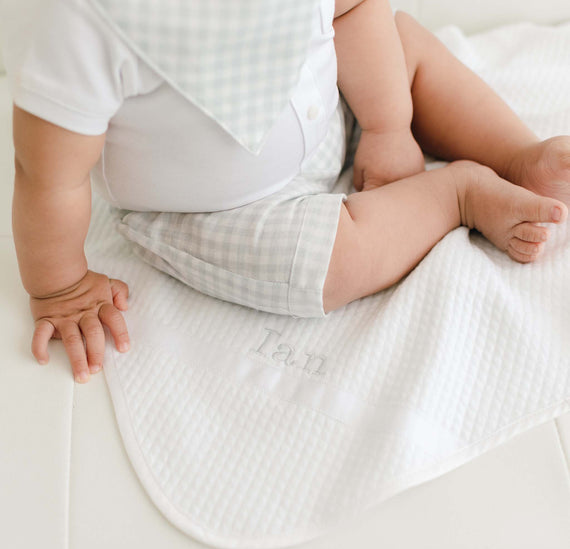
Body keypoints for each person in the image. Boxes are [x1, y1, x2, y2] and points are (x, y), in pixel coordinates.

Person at [3, 0, 569, 384]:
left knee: (400, 42)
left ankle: (517, 155)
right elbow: (47, 173)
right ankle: (456, 195)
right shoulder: (87, 20)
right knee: (320, 265)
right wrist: (60, 286)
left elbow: (353, 10)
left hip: (342, 106)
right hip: (214, 204)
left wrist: (388, 125)